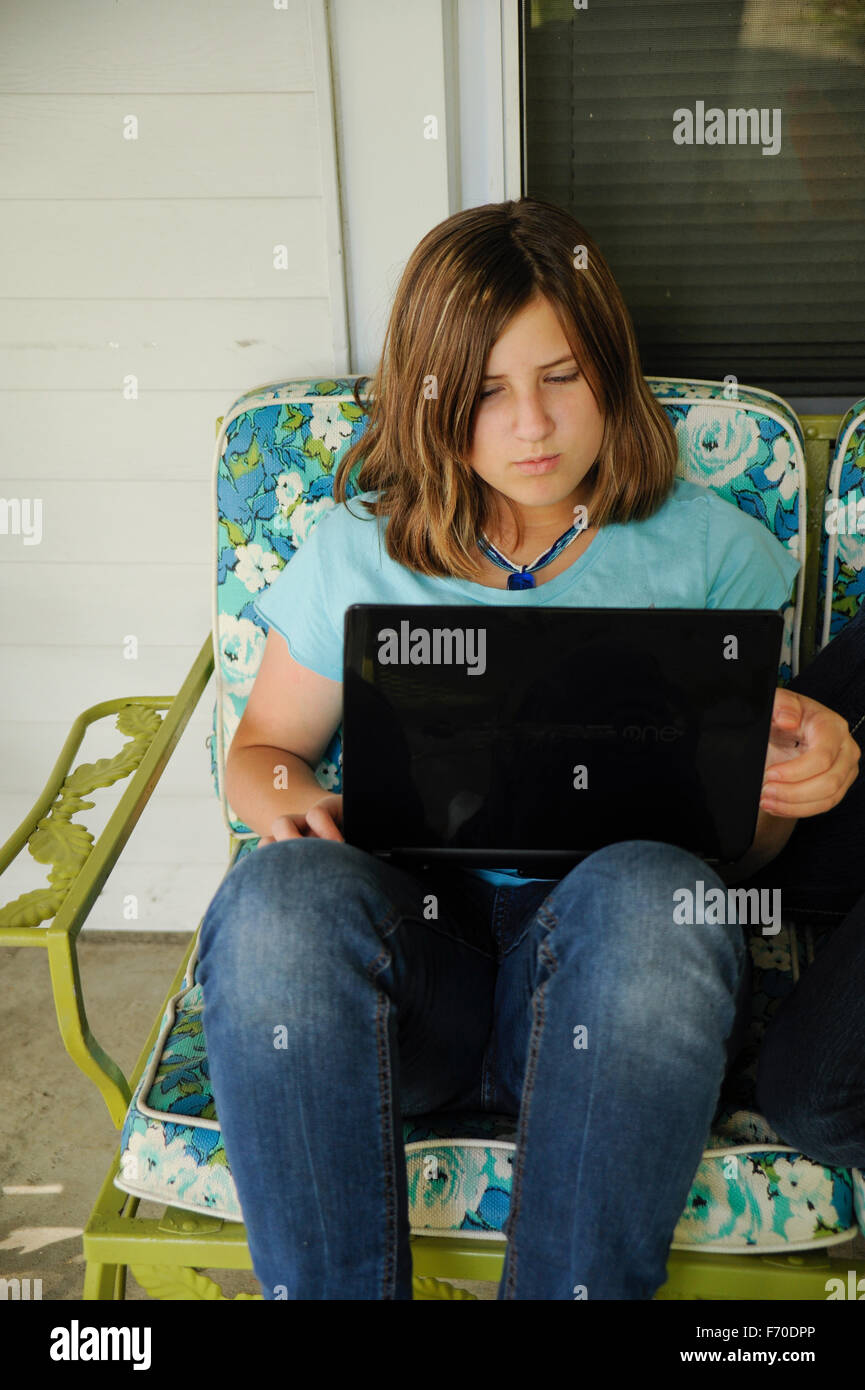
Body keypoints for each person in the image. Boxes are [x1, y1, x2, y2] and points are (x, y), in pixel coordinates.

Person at [196, 197, 862, 1300]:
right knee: (279, 898)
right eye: (486, 393)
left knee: (658, 892)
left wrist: (789, 782)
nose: (532, 427)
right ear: (431, 398)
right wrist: (290, 801)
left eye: (560, 377)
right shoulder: (360, 548)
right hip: (412, 982)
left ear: (610, 367)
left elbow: (738, 855)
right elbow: (263, 746)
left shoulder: (715, 555)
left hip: (622, 983)